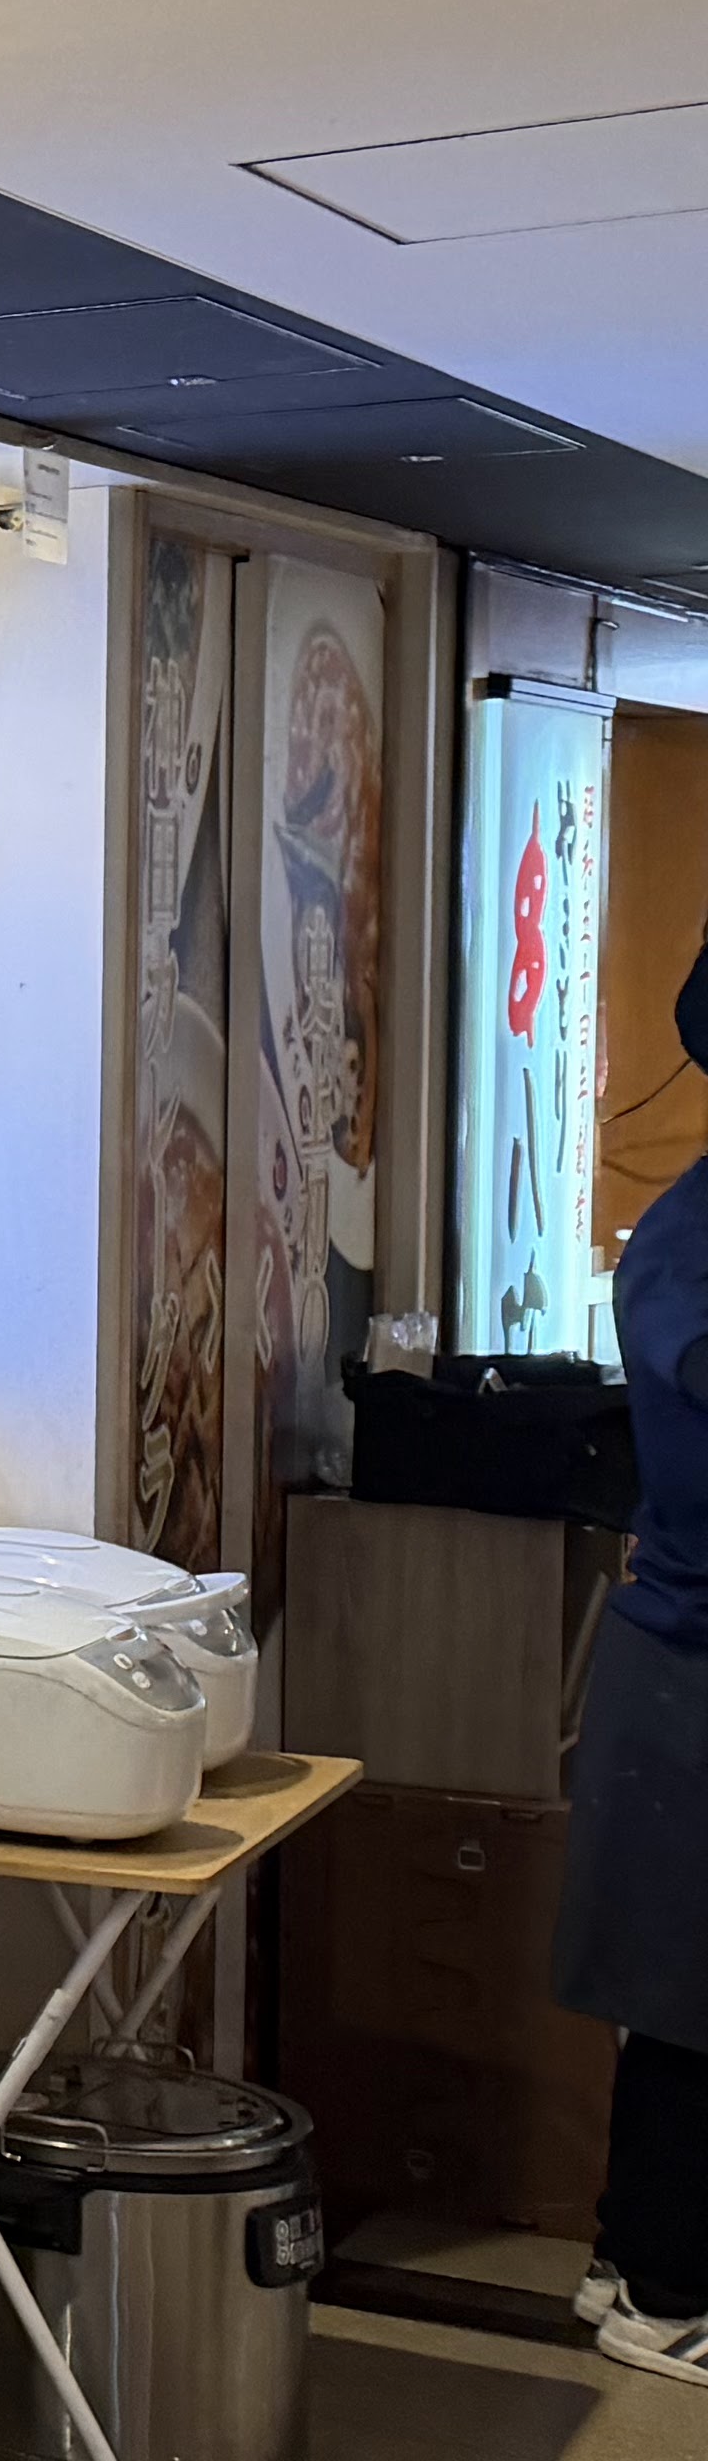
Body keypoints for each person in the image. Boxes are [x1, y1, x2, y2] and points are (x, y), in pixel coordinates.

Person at [568, 926, 708, 2386]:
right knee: (686, 1995)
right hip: (687, 1674)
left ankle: (629, 2257)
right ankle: (662, 2289)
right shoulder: (689, 1241)